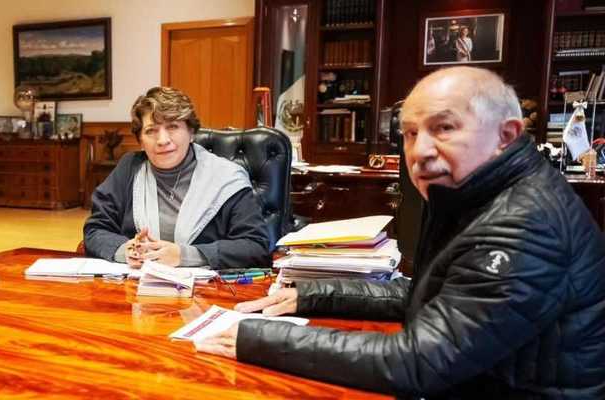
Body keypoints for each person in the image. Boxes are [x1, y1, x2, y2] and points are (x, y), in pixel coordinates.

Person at [195, 67, 605, 398]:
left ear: (506, 136)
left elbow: (418, 362)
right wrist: (309, 294)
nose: (419, 150)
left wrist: (259, 340)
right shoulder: (478, 193)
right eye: (409, 133)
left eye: (444, 128)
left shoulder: (524, 224)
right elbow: (431, 293)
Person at [83, 87, 269, 269]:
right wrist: (127, 251)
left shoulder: (226, 177)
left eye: (172, 127)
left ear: (191, 133)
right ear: (140, 141)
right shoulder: (130, 168)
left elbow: (255, 245)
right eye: (151, 131)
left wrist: (184, 255)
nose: (162, 140)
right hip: (137, 288)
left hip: (208, 292)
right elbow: (95, 230)